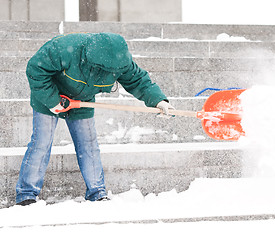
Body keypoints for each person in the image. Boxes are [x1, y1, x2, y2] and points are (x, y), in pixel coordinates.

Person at [15, 32, 174, 206]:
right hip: (48, 95)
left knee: (89, 145)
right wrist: (53, 101)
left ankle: (96, 192)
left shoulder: (120, 61)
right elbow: (35, 69)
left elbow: (138, 81)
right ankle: (26, 195)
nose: (111, 73)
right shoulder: (64, 48)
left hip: (82, 101)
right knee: (41, 143)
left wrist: (159, 101)